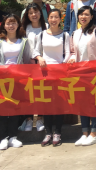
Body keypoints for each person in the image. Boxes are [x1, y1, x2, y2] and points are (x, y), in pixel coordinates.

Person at [0, 15, 33, 150]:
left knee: (15, 108)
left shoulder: (23, 41)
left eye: (14, 23)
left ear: (18, 25)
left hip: (18, 80)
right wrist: (7, 71)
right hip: (2, 79)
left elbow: (27, 60)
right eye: (8, 23)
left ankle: (13, 136)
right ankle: (3, 138)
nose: (11, 26)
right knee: (2, 109)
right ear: (4, 25)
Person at [69, 5, 96, 145]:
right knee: (82, 103)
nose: (83, 17)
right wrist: (72, 58)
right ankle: (84, 133)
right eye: (81, 14)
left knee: (94, 103)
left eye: (86, 14)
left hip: (94, 72)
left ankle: (94, 133)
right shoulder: (75, 33)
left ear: (92, 16)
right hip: (79, 73)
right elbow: (73, 51)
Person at [33, 8, 72, 146]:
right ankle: (48, 132)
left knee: (59, 103)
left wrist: (62, 65)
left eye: (56, 17)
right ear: (47, 19)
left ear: (60, 19)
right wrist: (40, 58)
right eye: (51, 17)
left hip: (59, 73)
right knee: (47, 104)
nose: (53, 20)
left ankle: (57, 132)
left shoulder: (65, 35)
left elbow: (68, 52)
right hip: (45, 73)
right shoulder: (42, 34)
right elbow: (35, 51)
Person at [19, 3, 47, 132]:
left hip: (42, 65)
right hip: (27, 65)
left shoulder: (46, 27)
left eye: (36, 12)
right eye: (30, 13)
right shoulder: (23, 28)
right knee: (28, 93)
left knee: (41, 92)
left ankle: (40, 118)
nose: (34, 15)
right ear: (27, 15)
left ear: (40, 13)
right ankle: (29, 119)